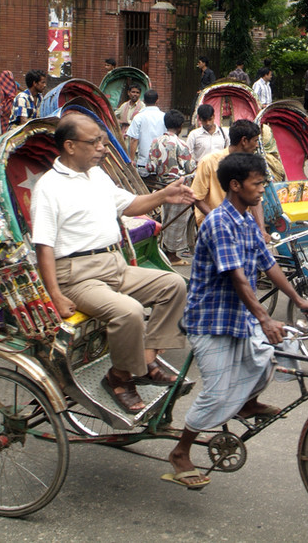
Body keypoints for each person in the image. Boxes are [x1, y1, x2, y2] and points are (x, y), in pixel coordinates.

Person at [165, 153, 308, 489]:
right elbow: (238, 278)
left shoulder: (247, 220)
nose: (263, 189)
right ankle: (181, 451)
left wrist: (298, 299)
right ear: (235, 186)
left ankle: (246, 404)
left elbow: (269, 264)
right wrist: (264, 319)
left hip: (240, 316)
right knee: (217, 393)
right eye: (257, 183)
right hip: (212, 320)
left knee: (279, 351)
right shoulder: (219, 223)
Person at [30, 114, 194, 413]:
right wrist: (55, 294)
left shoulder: (98, 176)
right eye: (94, 142)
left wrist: (164, 195)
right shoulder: (48, 188)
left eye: (103, 142)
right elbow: (44, 246)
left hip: (113, 264)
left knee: (175, 285)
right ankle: (120, 378)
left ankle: (145, 358)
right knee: (128, 311)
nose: (102, 148)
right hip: (77, 276)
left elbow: (130, 205)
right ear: (69, 146)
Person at [146, 110, 196, 266]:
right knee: (176, 221)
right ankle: (172, 256)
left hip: (159, 186)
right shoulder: (181, 144)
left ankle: (162, 250)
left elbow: (150, 166)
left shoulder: (156, 141)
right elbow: (190, 168)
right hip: (177, 188)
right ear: (180, 127)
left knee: (165, 218)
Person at [192, 120, 262, 228]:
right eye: (255, 140)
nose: (257, 145)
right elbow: (197, 198)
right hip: (214, 225)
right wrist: (218, 220)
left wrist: (261, 229)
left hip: (241, 223)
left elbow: (256, 200)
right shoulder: (209, 162)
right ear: (244, 141)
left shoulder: (251, 165)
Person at [126, 90, 166, 177]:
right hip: (161, 162)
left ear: (143, 100)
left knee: (144, 188)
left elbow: (133, 140)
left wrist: (131, 159)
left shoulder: (138, 117)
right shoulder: (164, 117)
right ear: (157, 100)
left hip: (144, 163)